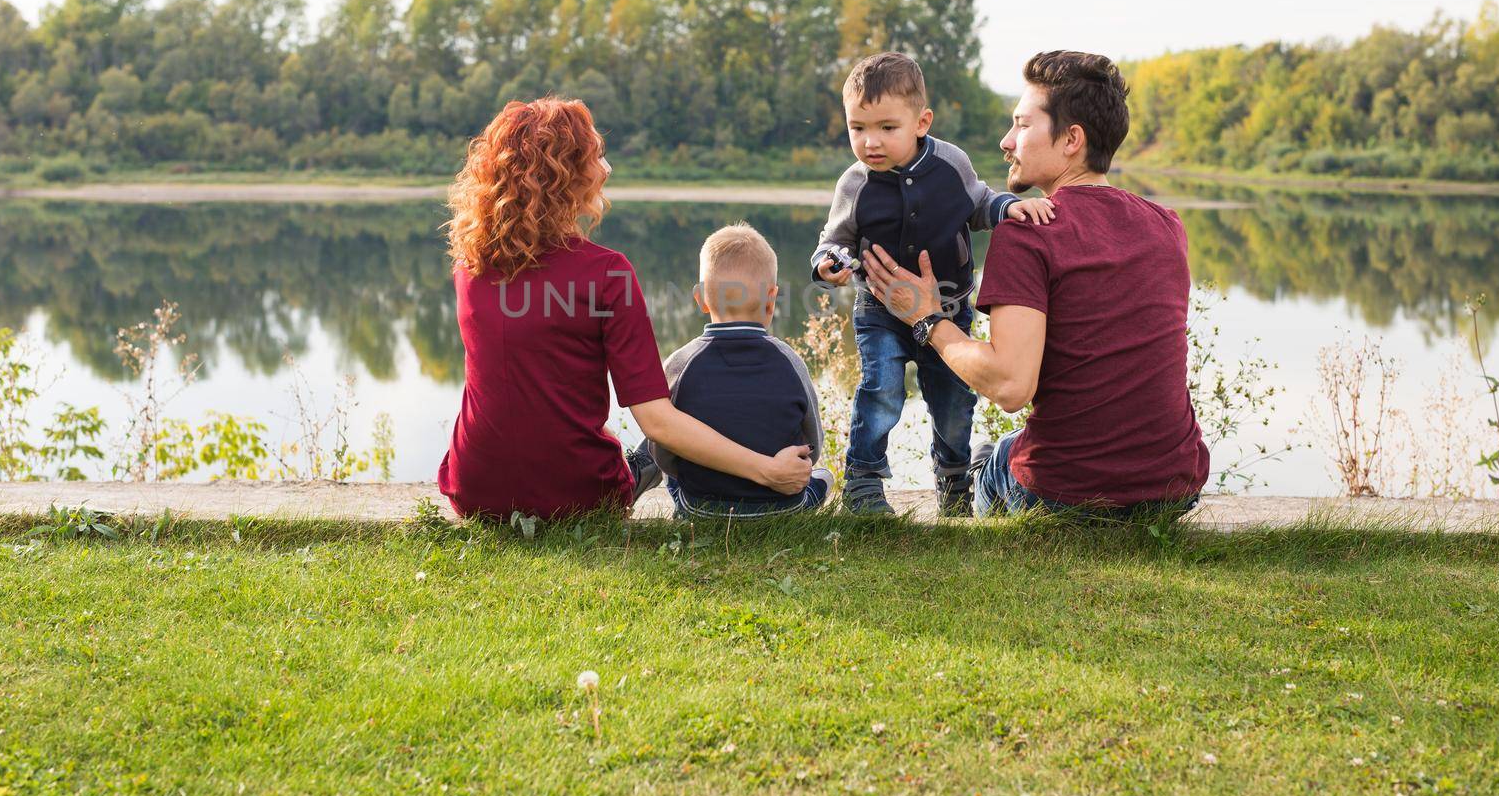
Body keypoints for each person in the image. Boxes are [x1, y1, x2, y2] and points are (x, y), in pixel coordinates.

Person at [861, 51, 1209, 519]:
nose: (1007, 141)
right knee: (1002, 447)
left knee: (995, 461)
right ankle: (994, 459)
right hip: (1173, 488)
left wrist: (925, 318)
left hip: (1064, 494)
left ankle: (990, 467)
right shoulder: (1168, 226)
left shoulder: (1029, 234)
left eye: (1022, 126)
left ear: (1071, 140)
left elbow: (1009, 386)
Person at [437, 97, 812, 520]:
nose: (607, 170)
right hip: (577, 499)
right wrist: (768, 471)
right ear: (564, 176)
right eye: (596, 157)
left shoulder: (470, 266)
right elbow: (657, 422)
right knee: (648, 438)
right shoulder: (607, 273)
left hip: (475, 489)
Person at [810, 52, 1054, 516]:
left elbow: (980, 202)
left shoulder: (950, 165)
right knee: (880, 388)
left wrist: (1007, 208)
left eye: (886, 127)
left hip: (949, 308)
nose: (870, 142)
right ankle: (863, 481)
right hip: (881, 309)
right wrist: (829, 264)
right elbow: (835, 240)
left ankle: (954, 480)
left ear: (921, 122)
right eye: (857, 128)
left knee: (954, 401)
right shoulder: (854, 184)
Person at [628, 223, 834, 518]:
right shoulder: (790, 360)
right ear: (772, 298)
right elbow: (812, 445)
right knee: (824, 477)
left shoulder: (680, 362)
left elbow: (664, 449)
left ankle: (640, 472)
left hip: (701, 507)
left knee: (675, 471)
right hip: (780, 505)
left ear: (700, 299)